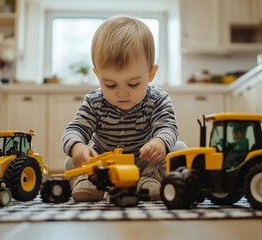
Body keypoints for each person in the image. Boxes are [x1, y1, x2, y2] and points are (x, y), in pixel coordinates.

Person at [62, 15, 186, 202]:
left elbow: (168, 127)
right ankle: (87, 180)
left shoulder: (157, 99)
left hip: (146, 162)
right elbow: (75, 129)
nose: (122, 93)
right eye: (110, 85)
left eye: (133, 84)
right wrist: (77, 146)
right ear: (97, 75)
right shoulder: (95, 102)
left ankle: (151, 178)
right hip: (105, 165)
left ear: (151, 73)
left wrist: (159, 143)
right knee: (71, 161)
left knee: (178, 148)